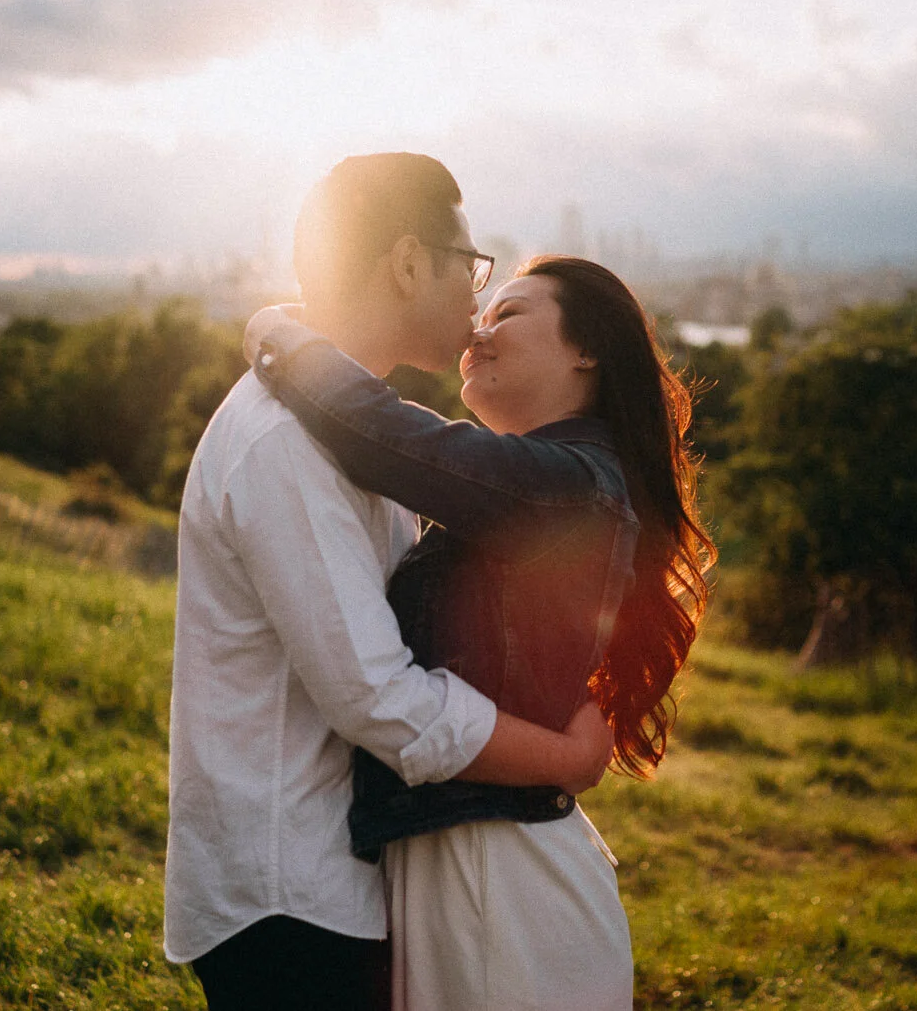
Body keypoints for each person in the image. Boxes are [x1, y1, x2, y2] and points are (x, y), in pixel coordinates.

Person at [164, 154, 617, 1011]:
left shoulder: (351, 433)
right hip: (287, 892)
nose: (477, 298)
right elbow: (379, 698)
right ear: (409, 262)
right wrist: (561, 757)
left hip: (337, 877)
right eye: (471, 265)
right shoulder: (284, 443)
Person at [243, 253, 714, 1011]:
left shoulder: (566, 483)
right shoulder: (569, 486)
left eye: (509, 313)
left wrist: (277, 332)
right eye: (483, 312)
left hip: (499, 878)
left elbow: (383, 436)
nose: (478, 329)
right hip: (480, 866)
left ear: (586, 349)